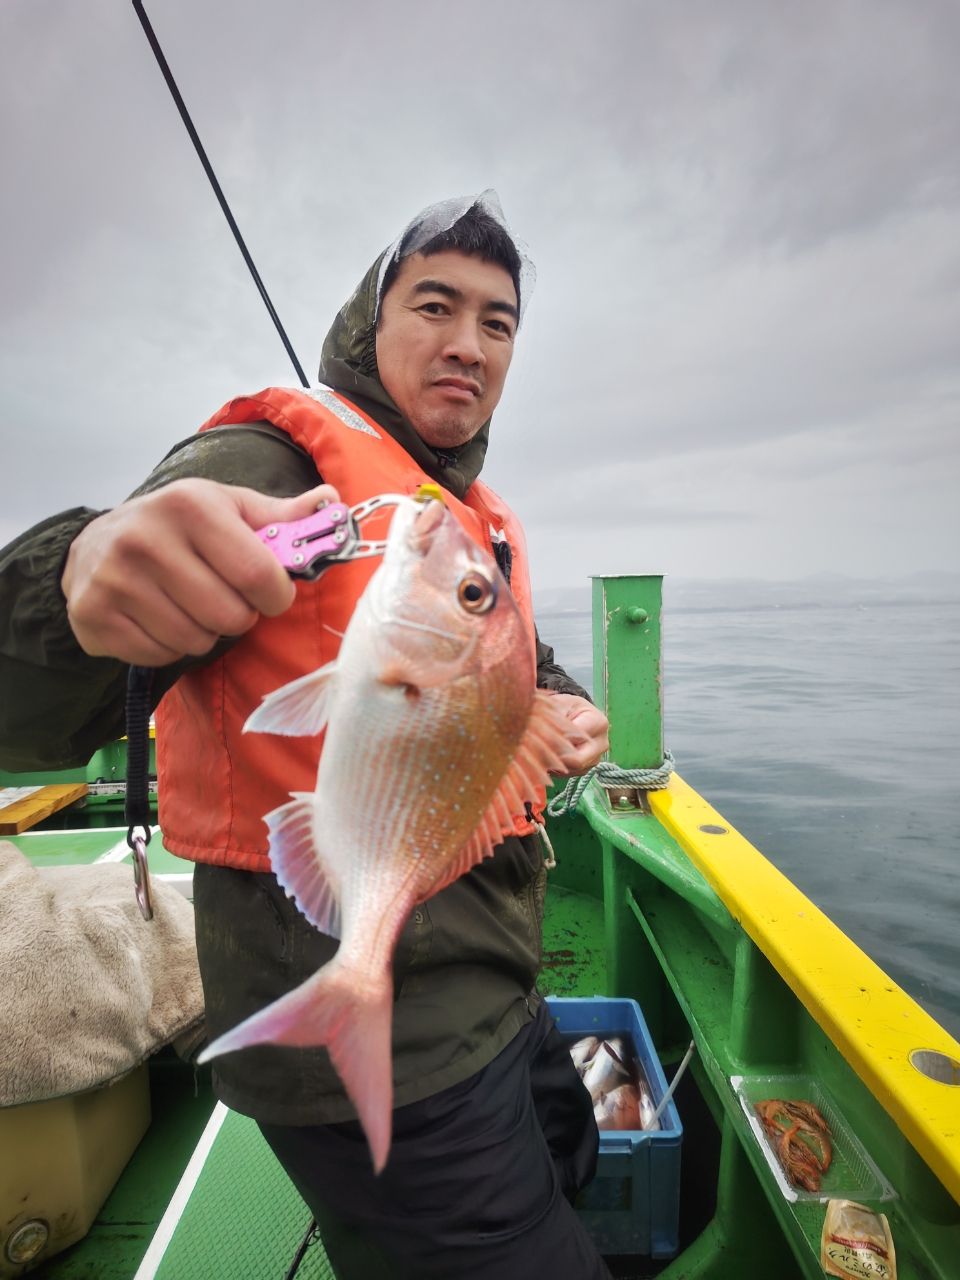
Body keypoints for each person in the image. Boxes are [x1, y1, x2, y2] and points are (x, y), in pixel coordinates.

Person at [0, 192, 612, 1278]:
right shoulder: (268, 463)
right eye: (436, 304)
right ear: (371, 319)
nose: (468, 344)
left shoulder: (464, 518)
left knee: (576, 1151)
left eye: (498, 322)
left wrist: (557, 698)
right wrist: (77, 572)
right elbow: (29, 702)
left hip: (499, 979)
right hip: (387, 1029)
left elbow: (499, 662)